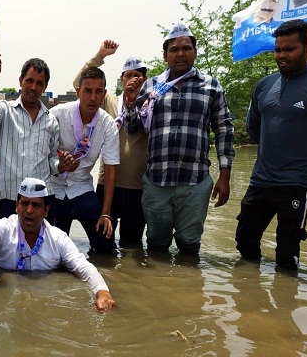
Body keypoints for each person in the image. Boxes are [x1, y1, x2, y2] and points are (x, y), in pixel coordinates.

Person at [123, 21, 235, 254]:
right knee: (156, 245)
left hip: (194, 182)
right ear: (165, 56)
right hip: (157, 181)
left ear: (194, 52)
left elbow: (224, 130)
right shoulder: (152, 86)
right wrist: (131, 102)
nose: (180, 54)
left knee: (190, 246)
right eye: (174, 50)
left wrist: (225, 177)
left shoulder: (211, 86)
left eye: (186, 48)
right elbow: (134, 130)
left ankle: (190, 289)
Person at [235, 19, 307, 270]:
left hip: (296, 185)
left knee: (287, 253)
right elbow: (253, 127)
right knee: (244, 241)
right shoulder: (264, 85)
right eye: (278, 49)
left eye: (289, 49)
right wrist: (273, 152)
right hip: (261, 180)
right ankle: (249, 297)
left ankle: (285, 305)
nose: (281, 55)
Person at [0, 177, 116, 312]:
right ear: (17, 206)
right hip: (8, 304)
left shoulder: (58, 238)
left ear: (46, 210)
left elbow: (84, 267)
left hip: (45, 304)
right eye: (25, 203)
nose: (29, 210)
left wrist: (103, 293)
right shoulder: (5, 229)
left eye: (36, 205)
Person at [72, 40, 148, 246]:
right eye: (129, 75)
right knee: (103, 242)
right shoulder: (107, 100)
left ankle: (127, 278)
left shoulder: (151, 103)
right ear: (122, 79)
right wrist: (100, 56)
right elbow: (80, 83)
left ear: (145, 80)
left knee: (132, 245)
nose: (133, 79)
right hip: (108, 184)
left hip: (136, 184)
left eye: (138, 75)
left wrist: (136, 101)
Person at [0, 55, 65, 223]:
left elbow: (52, 161)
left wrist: (61, 165)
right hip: (11, 198)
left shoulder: (50, 120)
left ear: (45, 87)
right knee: (9, 247)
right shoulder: (4, 111)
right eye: (29, 80)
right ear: (20, 80)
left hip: (42, 199)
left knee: (42, 247)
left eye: (39, 83)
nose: (33, 87)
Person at [51, 67, 120, 253]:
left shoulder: (107, 125)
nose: (93, 97)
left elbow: (111, 170)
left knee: (106, 244)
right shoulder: (57, 115)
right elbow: (42, 154)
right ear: (78, 92)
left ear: (104, 94)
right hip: (55, 188)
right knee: (53, 253)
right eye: (88, 91)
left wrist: (106, 214)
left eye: (98, 92)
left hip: (82, 187)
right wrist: (60, 164)